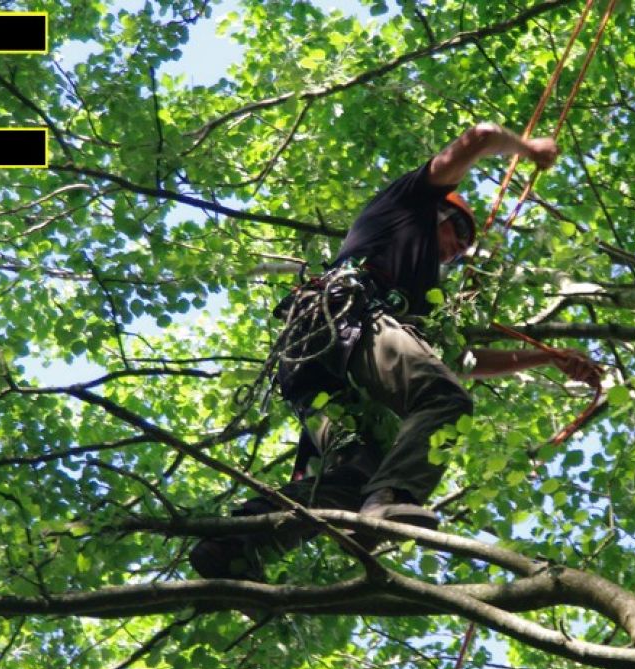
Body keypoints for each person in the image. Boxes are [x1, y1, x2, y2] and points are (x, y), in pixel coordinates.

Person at [190, 123, 597, 580]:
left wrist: (547, 357)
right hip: (349, 320)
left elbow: (459, 362)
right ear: (440, 212)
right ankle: (390, 499)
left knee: (354, 476)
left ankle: (236, 546)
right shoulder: (407, 204)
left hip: (316, 368)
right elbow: (478, 138)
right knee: (445, 400)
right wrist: (528, 148)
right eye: (458, 234)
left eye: (463, 250)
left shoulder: (419, 300)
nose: (456, 252)